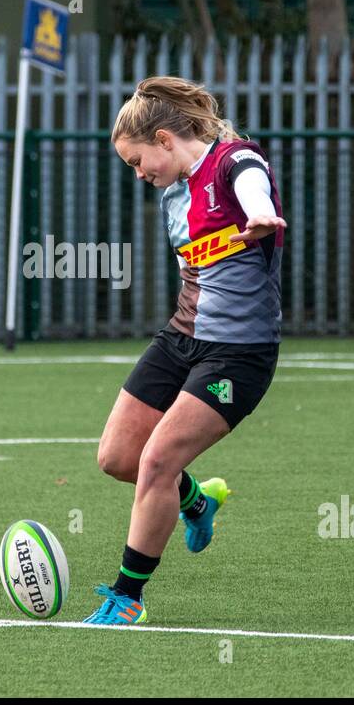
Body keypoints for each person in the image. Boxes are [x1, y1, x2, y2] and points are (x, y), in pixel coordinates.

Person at [83, 76, 286, 625]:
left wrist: (261, 212)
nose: (138, 173)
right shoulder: (174, 191)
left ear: (167, 140)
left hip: (238, 354)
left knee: (156, 461)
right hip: (181, 338)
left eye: (137, 160)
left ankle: (127, 599)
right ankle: (197, 501)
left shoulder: (235, 160)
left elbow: (251, 185)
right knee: (118, 459)